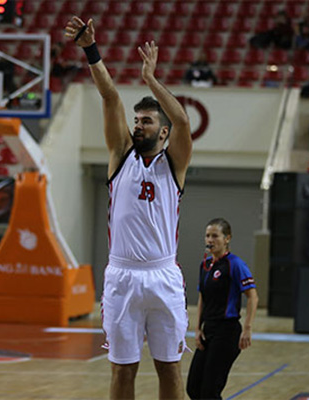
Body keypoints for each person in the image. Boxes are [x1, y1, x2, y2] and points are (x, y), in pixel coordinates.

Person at [66, 16, 192, 400]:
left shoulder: (174, 163)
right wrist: (91, 50)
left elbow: (183, 121)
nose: (138, 125)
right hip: (122, 276)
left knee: (170, 369)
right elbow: (110, 97)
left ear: (163, 131)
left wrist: (151, 79)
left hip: (163, 275)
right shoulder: (121, 156)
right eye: (136, 120)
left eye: (147, 121)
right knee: (122, 371)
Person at [186, 218, 258, 400]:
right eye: (207, 236)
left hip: (227, 332)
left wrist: (247, 328)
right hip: (208, 330)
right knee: (193, 388)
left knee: (210, 391)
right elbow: (202, 298)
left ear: (227, 238)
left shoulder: (235, 264)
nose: (210, 240)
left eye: (215, 236)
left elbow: (252, 296)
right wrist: (197, 328)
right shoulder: (205, 265)